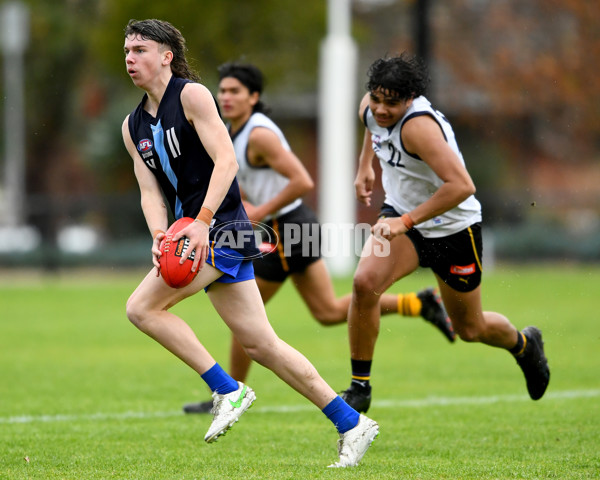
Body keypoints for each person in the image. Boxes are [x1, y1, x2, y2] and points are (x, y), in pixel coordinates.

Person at [121, 19, 378, 468]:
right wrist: (161, 235)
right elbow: (148, 190)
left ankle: (227, 388)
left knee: (142, 308)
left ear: (166, 56)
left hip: (220, 230)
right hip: (193, 235)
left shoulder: (193, 96)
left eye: (140, 49)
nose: (129, 57)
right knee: (262, 345)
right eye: (126, 50)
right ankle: (351, 422)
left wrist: (200, 223)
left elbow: (227, 160)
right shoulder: (132, 125)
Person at [182, 62, 455, 415]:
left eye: (235, 91)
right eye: (222, 90)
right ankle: (417, 304)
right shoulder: (232, 132)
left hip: (287, 228)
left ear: (254, 97)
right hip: (286, 227)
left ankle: (230, 394)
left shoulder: (259, 135)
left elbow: (302, 181)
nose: (225, 97)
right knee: (326, 311)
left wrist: (259, 210)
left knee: (243, 316)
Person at [340, 53, 550, 413]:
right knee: (364, 283)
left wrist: (404, 223)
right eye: (376, 99)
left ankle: (525, 345)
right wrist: (365, 168)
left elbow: (462, 185)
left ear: (409, 100)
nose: (381, 109)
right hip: (402, 215)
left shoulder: (418, 127)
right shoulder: (370, 107)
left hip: (453, 227)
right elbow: (371, 127)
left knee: (470, 329)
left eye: (391, 103)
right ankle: (360, 388)